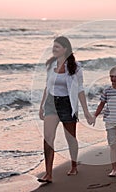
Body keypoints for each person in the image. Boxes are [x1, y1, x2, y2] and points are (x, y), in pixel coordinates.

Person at [37, 36, 94, 183]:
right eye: (53, 46)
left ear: (65, 49)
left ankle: (74, 164)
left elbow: (80, 90)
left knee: (70, 138)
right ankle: (48, 174)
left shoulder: (75, 67)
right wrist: (42, 106)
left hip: (67, 104)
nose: (54, 49)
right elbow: (46, 86)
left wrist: (86, 112)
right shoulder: (50, 65)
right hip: (51, 103)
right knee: (48, 139)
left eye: (57, 47)